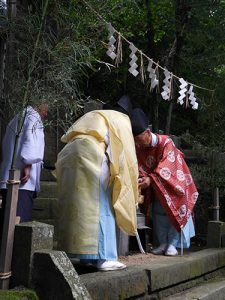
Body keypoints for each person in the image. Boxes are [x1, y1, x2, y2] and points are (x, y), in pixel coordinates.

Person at [55, 96, 139, 271]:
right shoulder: (121, 119)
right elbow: (125, 154)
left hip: (69, 155)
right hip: (93, 154)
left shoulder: (97, 114)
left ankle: (86, 256)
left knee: (80, 206)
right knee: (101, 204)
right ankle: (104, 258)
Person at [130, 108, 198, 256]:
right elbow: (140, 165)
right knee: (158, 212)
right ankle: (163, 243)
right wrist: (141, 177)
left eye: (139, 140)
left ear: (147, 133)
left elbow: (168, 166)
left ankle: (173, 244)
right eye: (135, 141)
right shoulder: (139, 147)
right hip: (156, 186)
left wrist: (150, 178)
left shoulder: (166, 142)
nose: (138, 144)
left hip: (174, 184)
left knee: (173, 210)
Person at [0, 103, 48, 239]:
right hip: (21, 182)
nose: (47, 111)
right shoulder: (33, 116)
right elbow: (30, 141)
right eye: (46, 106)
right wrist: (28, 164)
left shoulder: (18, 117)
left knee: (7, 222)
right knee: (18, 224)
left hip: (8, 178)